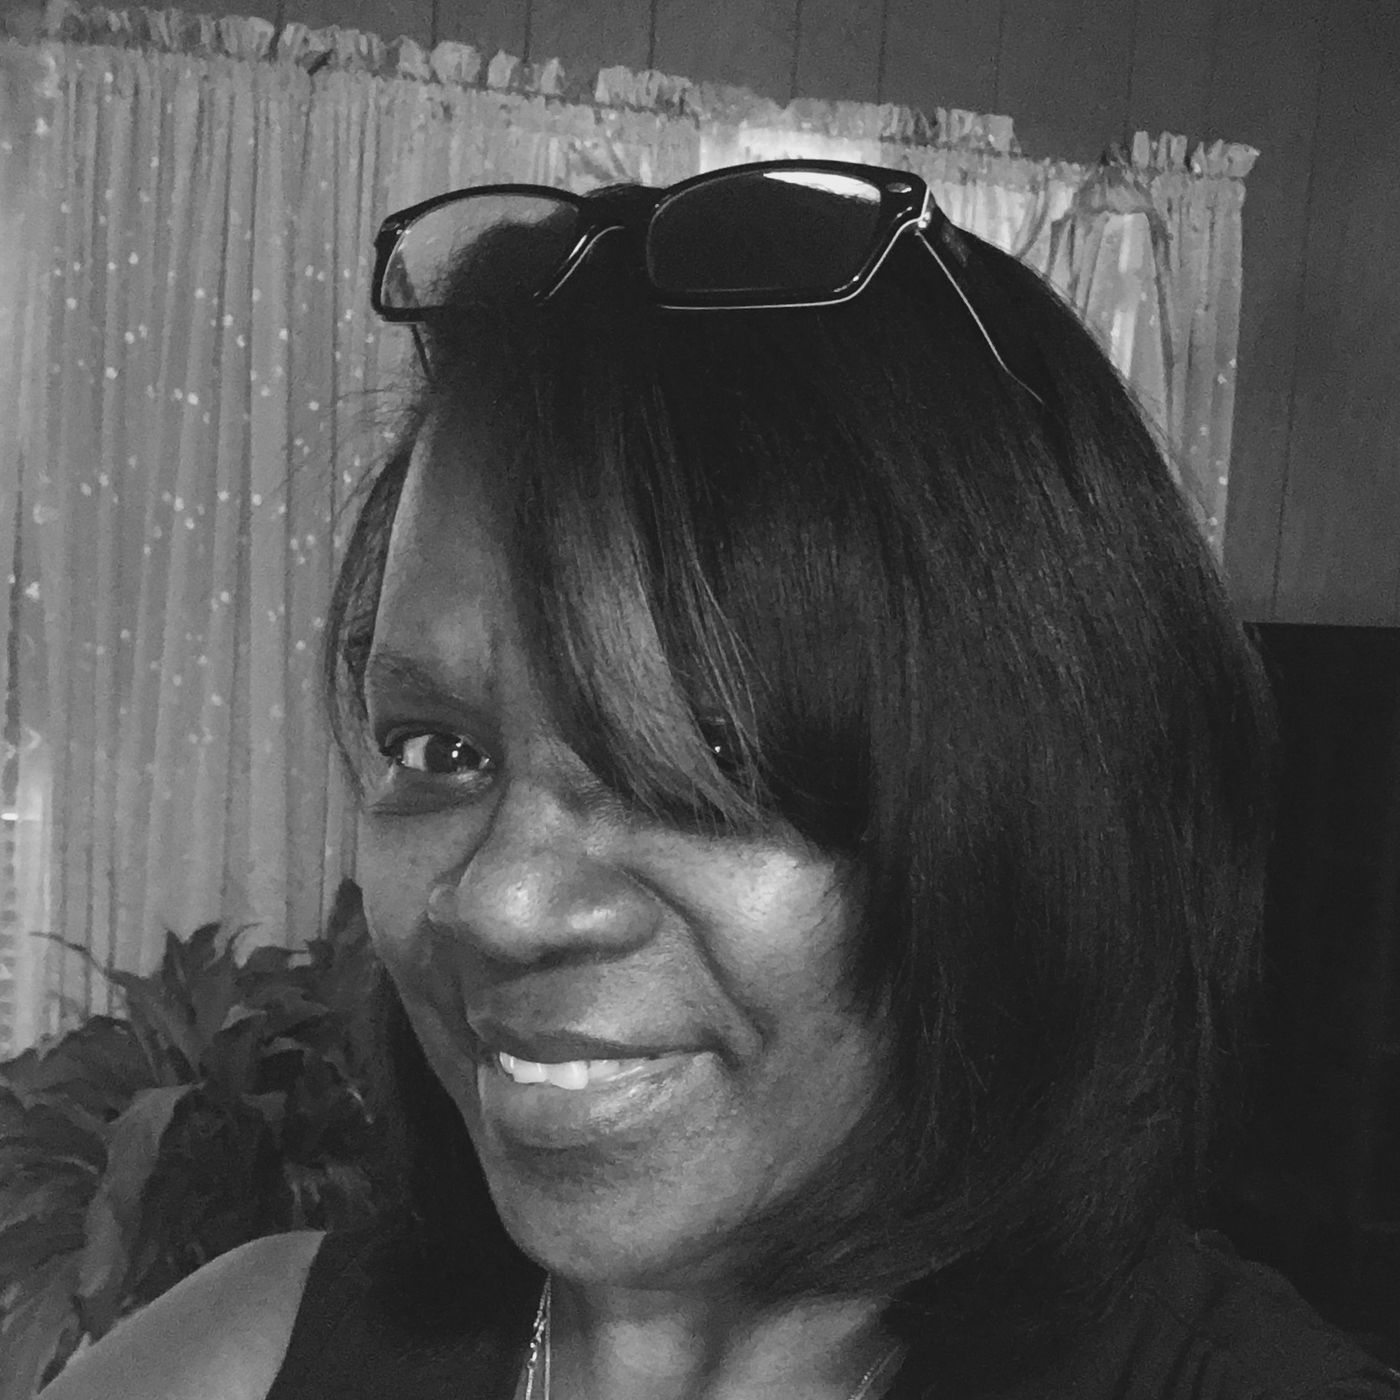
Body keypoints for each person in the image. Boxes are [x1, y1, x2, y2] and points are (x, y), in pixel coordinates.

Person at [42, 161, 1400, 1400]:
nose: (500, 905)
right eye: (439, 749)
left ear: (1037, 832)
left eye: (703, 760)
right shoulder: (242, 1358)